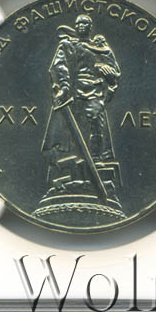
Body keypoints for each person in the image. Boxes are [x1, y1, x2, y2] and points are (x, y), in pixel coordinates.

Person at [41, 14, 121, 195]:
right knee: (70, 132)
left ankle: (96, 161)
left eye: (85, 23)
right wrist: (64, 87)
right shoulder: (68, 45)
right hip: (74, 94)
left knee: (95, 123)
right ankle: (69, 169)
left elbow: (115, 73)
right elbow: (59, 66)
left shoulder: (102, 49)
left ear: (91, 27)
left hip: (95, 93)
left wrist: (108, 73)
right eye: (78, 23)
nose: (81, 26)